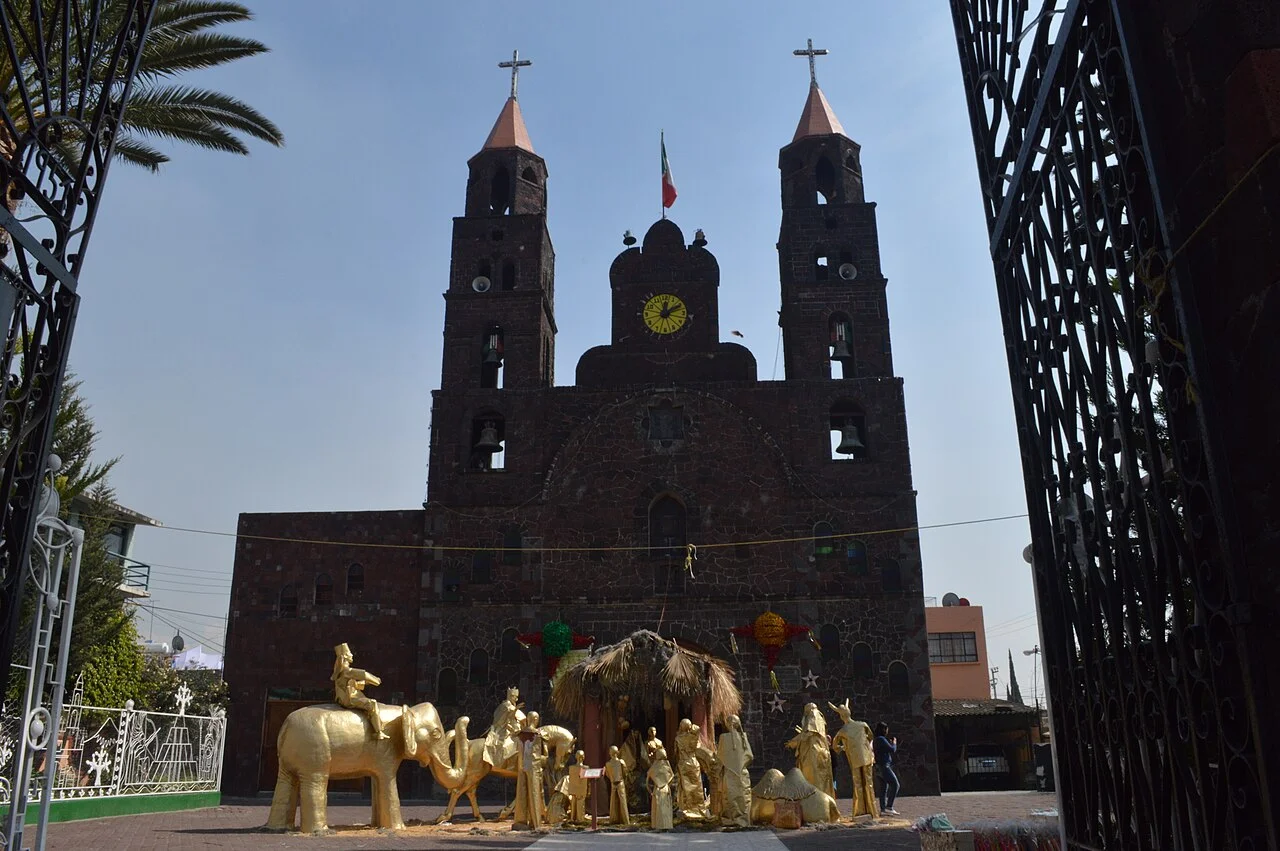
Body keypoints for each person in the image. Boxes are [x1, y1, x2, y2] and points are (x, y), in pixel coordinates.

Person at [830, 699, 878, 819]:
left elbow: (835, 747)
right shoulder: (862, 725)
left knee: (858, 785)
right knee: (869, 784)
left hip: (855, 761)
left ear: (841, 716)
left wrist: (843, 747)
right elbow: (870, 736)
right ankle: (873, 812)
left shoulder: (842, 731)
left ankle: (859, 811)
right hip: (867, 758)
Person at [331, 643, 386, 740]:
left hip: (344, 697)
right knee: (372, 703)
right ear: (344, 657)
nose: (352, 655)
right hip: (349, 699)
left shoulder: (341, 672)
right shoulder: (347, 671)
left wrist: (365, 683)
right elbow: (364, 674)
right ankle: (379, 731)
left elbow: (352, 685)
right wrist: (375, 680)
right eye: (349, 653)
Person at [786, 702, 835, 800]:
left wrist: (793, 742)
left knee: (814, 780)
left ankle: (816, 803)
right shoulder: (819, 719)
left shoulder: (814, 715)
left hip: (813, 755)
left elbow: (807, 733)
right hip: (817, 754)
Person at [716, 715, 753, 828]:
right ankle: (743, 820)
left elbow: (720, 758)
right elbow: (750, 756)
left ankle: (729, 820)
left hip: (729, 774)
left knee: (728, 796)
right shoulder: (743, 738)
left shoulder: (723, 738)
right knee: (743, 796)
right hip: (742, 774)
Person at [513, 717, 547, 828]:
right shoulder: (537, 734)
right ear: (536, 719)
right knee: (534, 793)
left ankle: (520, 821)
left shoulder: (520, 734)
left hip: (521, 765)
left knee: (521, 792)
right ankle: (536, 822)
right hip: (533, 766)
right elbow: (541, 755)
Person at [674, 718, 708, 818]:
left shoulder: (678, 739)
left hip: (683, 763)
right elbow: (698, 747)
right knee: (697, 787)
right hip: (693, 762)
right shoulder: (694, 737)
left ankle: (686, 808)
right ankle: (699, 808)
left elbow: (676, 753)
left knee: (685, 788)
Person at [482, 686, 523, 768]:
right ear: (511, 696)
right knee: (513, 744)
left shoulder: (511, 706)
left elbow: (511, 719)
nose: (516, 699)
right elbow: (504, 719)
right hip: (501, 731)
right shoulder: (505, 706)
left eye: (517, 697)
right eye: (515, 697)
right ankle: (508, 765)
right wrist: (515, 710)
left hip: (508, 729)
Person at [872, 721, 900, 815]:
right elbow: (892, 749)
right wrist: (894, 743)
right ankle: (889, 806)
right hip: (884, 766)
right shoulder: (881, 739)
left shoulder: (876, 739)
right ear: (883, 729)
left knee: (883, 788)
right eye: (886, 729)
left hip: (878, 767)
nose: (887, 731)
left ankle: (883, 809)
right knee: (895, 784)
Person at [646, 746, 675, 830]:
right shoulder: (667, 765)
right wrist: (668, 783)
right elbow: (672, 776)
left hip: (657, 790)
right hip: (665, 789)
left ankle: (656, 824)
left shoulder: (655, 766)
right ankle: (667, 824)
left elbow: (647, 781)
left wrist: (650, 791)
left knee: (658, 808)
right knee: (665, 808)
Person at [604, 745, 630, 825]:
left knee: (613, 802)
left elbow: (607, 774)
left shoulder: (608, 764)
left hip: (613, 783)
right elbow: (625, 772)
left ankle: (613, 819)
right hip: (620, 782)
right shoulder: (621, 762)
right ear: (617, 752)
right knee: (622, 802)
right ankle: (625, 820)